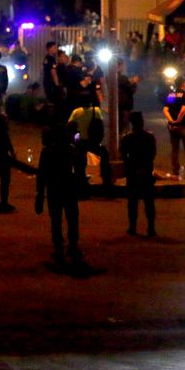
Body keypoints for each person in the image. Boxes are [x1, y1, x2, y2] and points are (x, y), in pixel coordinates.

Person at [35, 124, 83, 264]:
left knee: (56, 220)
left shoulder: (47, 151)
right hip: (69, 188)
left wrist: (39, 195)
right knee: (72, 219)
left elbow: (41, 175)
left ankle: (59, 248)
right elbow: (79, 169)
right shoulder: (71, 150)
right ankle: (72, 247)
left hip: (54, 189)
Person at [120, 111, 157, 237]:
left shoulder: (127, 138)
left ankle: (132, 227)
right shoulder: (149, 137)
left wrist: (130, 167)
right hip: (146, 172)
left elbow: (124, 156)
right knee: (149, 202)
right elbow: (152, 154)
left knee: (132, 202)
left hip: (133, 173)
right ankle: (151, 228)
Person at [67, 96, 113, 195]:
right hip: (92, 141)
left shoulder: (76, 112)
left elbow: (69, 125)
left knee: (80, 162)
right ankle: (106, 181)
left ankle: (81, 184)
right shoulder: (96, 111)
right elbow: (100, 124)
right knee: (104, 154)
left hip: (80, 142)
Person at [162, 75, 185, 180]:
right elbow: (183, 109)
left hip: (172, 127)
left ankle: (175, 173)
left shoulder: (171, 95)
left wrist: (171, 120)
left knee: (174, 150)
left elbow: (165, 110)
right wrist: (178, 119)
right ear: (183, 83)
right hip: (184, 126)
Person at [117, 58, 140, 134]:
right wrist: (135, 83)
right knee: (124, 128)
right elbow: (132, 90)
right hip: (124, 106)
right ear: (120, 66)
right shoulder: (122, 78)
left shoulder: (113, 76)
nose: (124, 67)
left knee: (119, 126)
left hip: (118, 105)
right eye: (123, 65)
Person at [42, 41, 60, 105]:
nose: (56, 49)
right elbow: (53, 73)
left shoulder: (46, 58)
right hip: (51, 83)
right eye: (54, 48)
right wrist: (57, 85)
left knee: (50, 100)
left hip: (47, 81)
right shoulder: (51, 59)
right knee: (54, 101)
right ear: (49, 49)